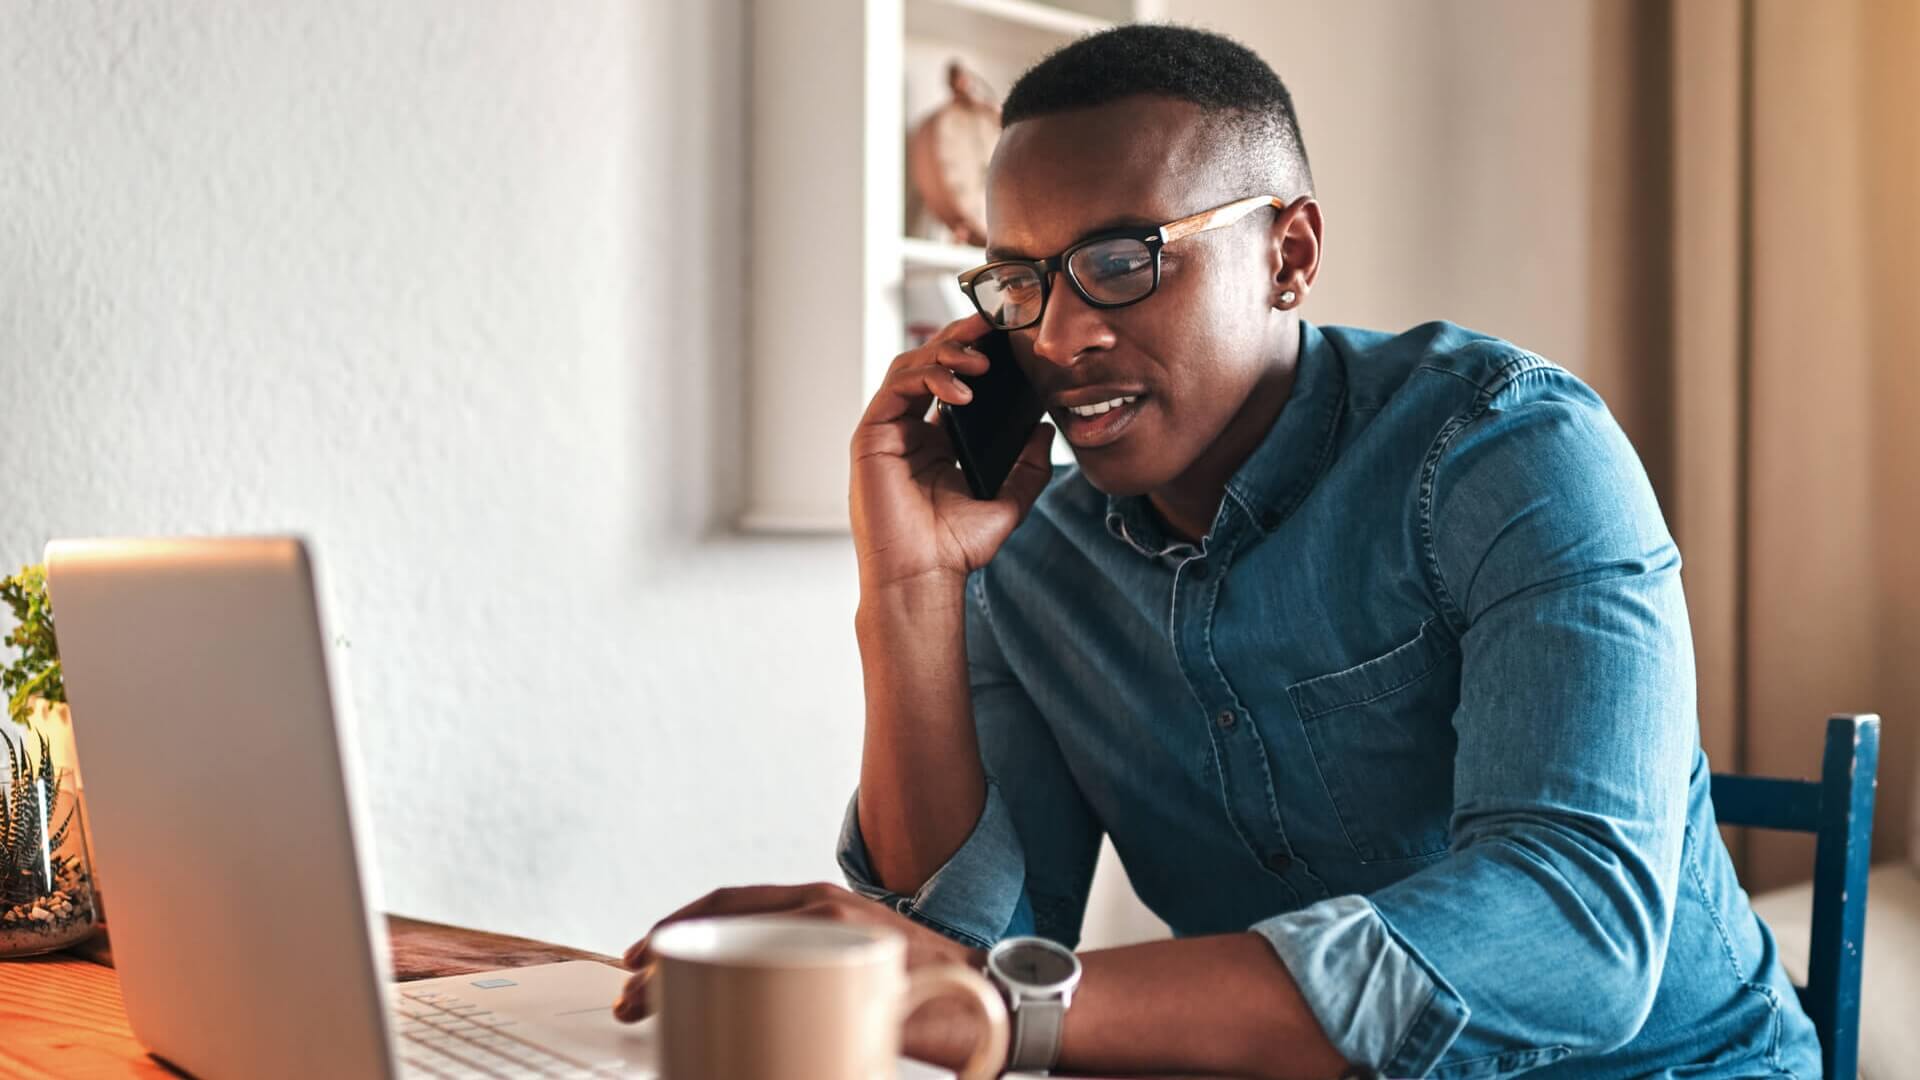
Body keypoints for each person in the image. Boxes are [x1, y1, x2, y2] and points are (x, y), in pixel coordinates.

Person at [616, 24, 1821, 1079]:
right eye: (1022, 281)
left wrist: (981, 1006)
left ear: (1289, 255)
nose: (1065, 333)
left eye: (1123, 260)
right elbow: (965, 958)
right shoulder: (1033, 551)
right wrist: (912, 592)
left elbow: (1575, 935)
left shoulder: (1508, 450)